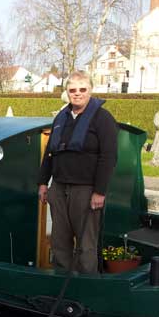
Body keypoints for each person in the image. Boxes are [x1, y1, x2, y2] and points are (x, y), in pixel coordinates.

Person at [38, 71, 118, 274]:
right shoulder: (61, 117)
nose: (77, 94)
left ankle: (87, 288)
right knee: (59, 241)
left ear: (90, 90)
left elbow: (109, 157)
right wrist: (42, 183)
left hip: (86, 190)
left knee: (86, 244)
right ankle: (62, 283)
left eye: (82, 89)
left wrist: (100, 191)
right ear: (67, 92)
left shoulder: (103, 118)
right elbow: (50, 153)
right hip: (59, 188)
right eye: (72, 90)